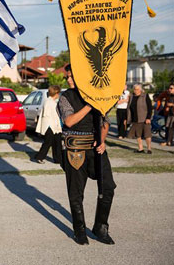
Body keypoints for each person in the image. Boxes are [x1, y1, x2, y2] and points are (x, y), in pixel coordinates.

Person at [57, 64, 116, 245]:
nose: (68, 79)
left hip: (96, 148)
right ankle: (79, 230)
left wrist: (102, 140)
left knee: (108, 188)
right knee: (76, 193)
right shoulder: (65, 97)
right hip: (75, 150)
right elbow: (69, 121)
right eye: (67, 76)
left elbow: (105, 123)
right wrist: (90, 105)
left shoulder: (97, 94)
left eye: (72, 76)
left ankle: (101, 227)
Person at [33, 85, 63, 164]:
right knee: (48, 143)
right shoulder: (49, 102)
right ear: (56, 93)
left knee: (57, 143)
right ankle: (39, 157)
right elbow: (48, 116)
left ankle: (58, 159)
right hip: (50, 127)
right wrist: (55, 126)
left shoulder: (51, 102)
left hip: (54, 127)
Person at [126, 84, 153, 154]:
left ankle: (149, 149)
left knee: (147, 134)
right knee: (138, 135)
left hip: (144, 118)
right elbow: (129, 108)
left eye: (137, 89)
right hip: (135, 118)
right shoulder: (131, 97)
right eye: (135, 89)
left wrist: (148, 118)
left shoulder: (145, 96)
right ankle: (140, 148)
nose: (136, 90)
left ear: (140, 90)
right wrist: (128, 118)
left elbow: (150, 108)